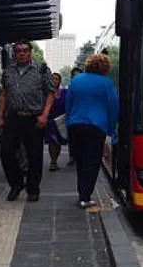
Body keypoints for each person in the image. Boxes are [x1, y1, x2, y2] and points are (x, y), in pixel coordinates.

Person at [0, 40, 55, 202]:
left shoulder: (41, 70)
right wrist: (0, 116)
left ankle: (33, 189)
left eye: (25, 50)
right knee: (6, 152)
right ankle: (16, 183)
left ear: (30, 52)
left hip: (33, 118)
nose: (22, 53)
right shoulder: (8, 71)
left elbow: (51, 93)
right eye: (18, 51)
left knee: (34, 156)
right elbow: (4, 94)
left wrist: (44, 115)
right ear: (14, 53)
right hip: (13, 117)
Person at [65, 53, 119, 209]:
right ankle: (85, 197)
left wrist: (68, 123)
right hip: (96, 127)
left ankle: (81, 193)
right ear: (105, 67)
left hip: (75, 125)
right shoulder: (106, 83)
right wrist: (111, 129)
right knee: (92, 162)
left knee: (80, 161)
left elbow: (68, 103)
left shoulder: (76, 80)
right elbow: (113, 107)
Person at [45, 72, 66, 171]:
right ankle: (53, 162)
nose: (54, 80)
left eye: (56, 79)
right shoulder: (46, 93)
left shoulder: (64, 92)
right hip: (50, 121)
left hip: (60, 121)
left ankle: (55, 161)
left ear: (59, 81)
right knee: (52, 141)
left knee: (58, 143)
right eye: (52, 78)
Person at [66, 67, 82, 166]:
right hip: (73, 119)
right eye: (75, 76)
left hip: (85, 119)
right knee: (72, 139)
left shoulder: (87, 88)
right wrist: (68, 119)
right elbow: (68, 104)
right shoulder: (71, 87)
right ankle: (72, 156)